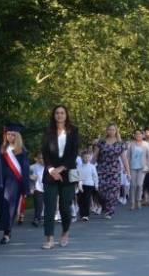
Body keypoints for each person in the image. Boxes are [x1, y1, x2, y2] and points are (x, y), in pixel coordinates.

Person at [41, 104, 80, 249]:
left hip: (68, 172)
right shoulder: (48, 131)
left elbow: (74, 153)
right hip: (51, 173)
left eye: (62, 113)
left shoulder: (73, 131)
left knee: (65, 206)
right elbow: (44, 152)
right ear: (54, 115)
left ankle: (65, 232)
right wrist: (51, 169)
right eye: (57, 112)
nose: (59, 115)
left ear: (66, 115)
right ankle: (49, 238)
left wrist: (61, 168)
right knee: (50, 206)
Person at [0, 125, 30, 245]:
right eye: (8, 134)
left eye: (13, 134)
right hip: (2, 182)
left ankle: (7, 232)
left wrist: (25, 188)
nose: (10, 136)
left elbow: (25, 170)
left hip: (14, 183)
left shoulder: (22, 151)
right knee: (2, 206)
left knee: (10, 208)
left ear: (17, 136)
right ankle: (5, 229)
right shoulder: (2, 150)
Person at [95, 124, 128, 219]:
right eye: (109, 129)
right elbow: (95, 156)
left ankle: (109, 212)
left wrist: (128, 171)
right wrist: (90, 166)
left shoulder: (120, 143)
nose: (111, 131)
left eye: (113, 130)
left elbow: (124, 158)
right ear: (107, 130)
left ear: (116, 131)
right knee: (101, 190)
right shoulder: (101, 142)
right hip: (102, 169)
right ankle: (104, 206)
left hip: (115, 170)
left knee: (113, 191)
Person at [126, 130, 149, 211]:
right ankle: (133, 203)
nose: (138, 135)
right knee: (133, 185)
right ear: (134, 135)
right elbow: (127, 156)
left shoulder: (146, 144)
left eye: (140, 134)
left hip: (142, 167)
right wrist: (126, 168)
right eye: (136, 134)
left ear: (142, 135)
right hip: (132, 167)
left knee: (139, 184)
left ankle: (139, 200)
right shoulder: (131, 144)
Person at [76, 148, 99, 221]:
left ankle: (86, 215)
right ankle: (82, 213)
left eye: (88, 157)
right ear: (82, 157)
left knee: (87, 200)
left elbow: (95, 176)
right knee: (80, 200)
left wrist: (96, 185)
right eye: (85, 157)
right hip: (81, 185)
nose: (86, 159)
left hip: (89, 185)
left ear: (90, 157)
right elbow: (78, 177)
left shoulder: (92, 167)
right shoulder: (79, 167)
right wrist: (79, 185)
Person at [29, 153, 45, 227]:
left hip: (48, 189)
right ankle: (37, 219)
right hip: (38, 189)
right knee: (39, 205)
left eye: (43, 158)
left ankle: (48, 219)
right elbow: (27, 173)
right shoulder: (33, 167)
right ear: (38, 160)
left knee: (49, 205)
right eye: (41, 158)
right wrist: (30, 177)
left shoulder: (50, 167)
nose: (43, 160)